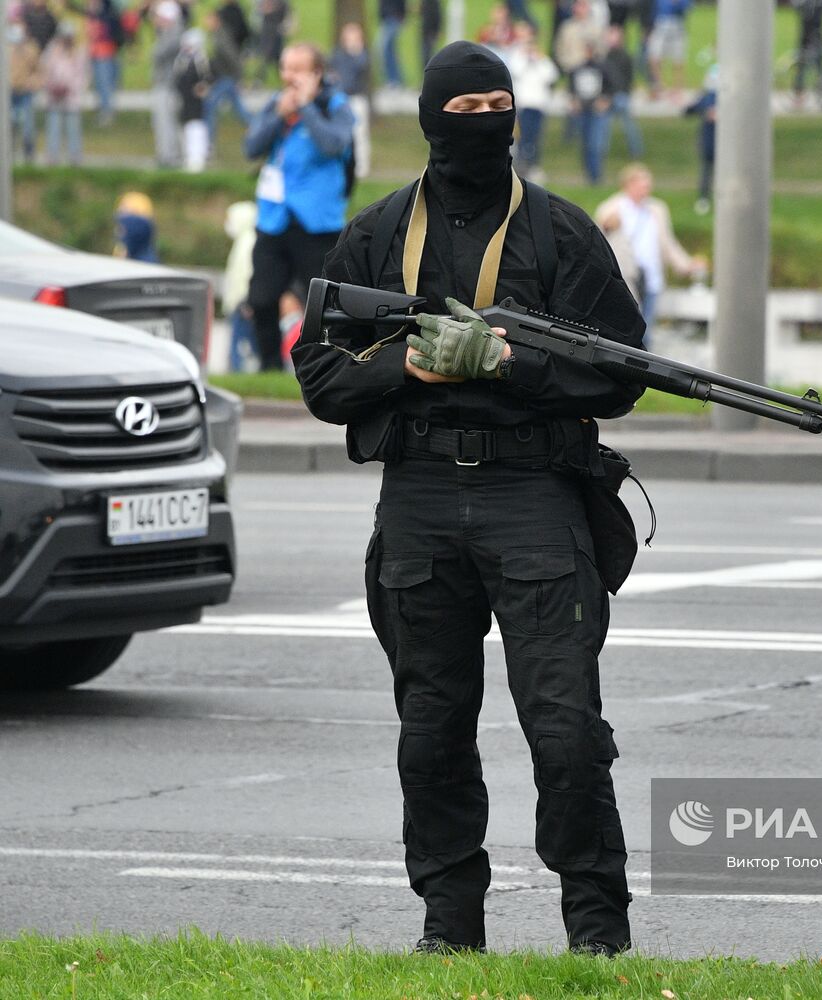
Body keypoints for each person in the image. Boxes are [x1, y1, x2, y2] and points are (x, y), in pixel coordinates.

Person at [291, 40, 643, 958]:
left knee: (565, 731)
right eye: (467, 108)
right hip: (419, 500)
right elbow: (321, 372)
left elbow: (620, 372)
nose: (485, 125)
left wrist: (512, 362)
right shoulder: (374, 234)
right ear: (431, 120)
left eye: (500, 106)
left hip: (535, 494)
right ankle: (449, 934)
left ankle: (597, 938)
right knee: (431, 730)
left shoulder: (561, 233)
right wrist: (404, 364)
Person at [244, 42, 354, 370]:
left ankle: (330, 368)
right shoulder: (277, 105)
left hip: (317, 221)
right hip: (275, 218)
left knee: (324, 304)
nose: (289, 77)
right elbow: (251, 146)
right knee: (261, 298)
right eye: (285, 69)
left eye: (297, 70)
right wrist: (279, 115)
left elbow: (333, 144)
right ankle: (268, 367)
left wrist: (306, 107)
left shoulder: (336, 106)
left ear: (316, 73)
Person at [595, 162, 704, 336]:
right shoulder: (612, 208)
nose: (646, 189)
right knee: (626, 326)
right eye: (641, 184)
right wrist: (608, 225)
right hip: (625, 277)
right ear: (628, 184)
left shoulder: (656, 209)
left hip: (651, 277)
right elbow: (597, 240)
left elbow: (667, 243)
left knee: (647, 329)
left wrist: (685, 264)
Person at [507, 23, 558, 179]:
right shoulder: (517, 56)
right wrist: (526, 58)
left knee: (535, 138)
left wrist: (538, 59)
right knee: (523, 137)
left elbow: (551, 75)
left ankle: (533, 166)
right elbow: (516, 72)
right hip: (524, 105)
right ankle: (522, 167)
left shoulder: (542, 60)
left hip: (538, 105)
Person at [203, 7, 250, 148]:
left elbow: (232, 57)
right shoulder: (217, 34)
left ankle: (209, 143)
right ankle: (257, 126)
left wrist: (239, 78)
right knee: (239, 110)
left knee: (210, 105)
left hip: (227, 78)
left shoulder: (221, 36)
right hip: (225, 77)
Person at [40, 21, 85, 165]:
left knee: (73, 129)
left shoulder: (78, 52)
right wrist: (53, 86)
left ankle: (75, 159)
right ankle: (52, 158)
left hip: (71, 98)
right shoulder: (51, 51)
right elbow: (45, 72)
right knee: (54, 128)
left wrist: (69, 87)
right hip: (54, 97)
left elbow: (82, 75)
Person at [330, 22, 372, 179]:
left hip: (356, 99)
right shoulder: (338, 55)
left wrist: (356, 50)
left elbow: (361, 68)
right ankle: (343, 166)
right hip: (342, 99)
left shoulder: (361, 54)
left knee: (360, 133)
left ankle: (361, 168)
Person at [221, 200, 258, 371]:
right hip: (241, 303)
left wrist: (248, 301)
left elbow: (247, 275)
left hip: (243, 304)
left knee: (240, 346)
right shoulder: (246, 239)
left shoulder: (248, 242)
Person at [569, 42, 610, 186]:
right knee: (586, 143)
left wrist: (605, 100)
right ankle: (589, 174)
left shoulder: (601, 68)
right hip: (583, 110)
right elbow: (572, 87)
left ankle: (596, 175)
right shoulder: (577, 69)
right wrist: (574, 101)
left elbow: (610, 86)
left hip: (596, 111)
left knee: (596, 143)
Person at [601, 23, 641, 160]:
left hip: (620, 95)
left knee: (628, 124)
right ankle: (601, 151)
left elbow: (626, 80)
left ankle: (636, 150)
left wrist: (616, 95)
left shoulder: (624, 56)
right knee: (603, 124)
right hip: (610, 96)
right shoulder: (606, 56)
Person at [149, 0, 183, 165]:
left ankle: (169, 156)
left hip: (168, 85)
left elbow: (158, 53)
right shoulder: (168, 33)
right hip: (165, 84)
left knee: (166, 122)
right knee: (163, 122)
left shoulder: (173, 35)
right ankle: (167, 154)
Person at [173, 26, 211, 171]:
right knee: (186, 129)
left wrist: (203, 87)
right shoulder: (181, 60)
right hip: (185, 101)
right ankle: (188, 156)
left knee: (197, 128)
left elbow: (206, 78)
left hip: (196, 102)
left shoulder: (200, 60)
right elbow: (178, 79)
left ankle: (197, 158)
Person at [791, 0, 822, 110]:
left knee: (820, 69)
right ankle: (799, 96)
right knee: (801, 69)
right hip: (805, 40)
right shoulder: (804, 3)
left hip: (818, 39)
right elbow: (796, 7)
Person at [9, 19, 42, 162]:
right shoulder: (6, 48)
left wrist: (33, 82)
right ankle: (8, 156)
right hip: (9, 94)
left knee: (28, 127)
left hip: (25, 93)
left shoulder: (31, 48)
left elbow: (39, 71)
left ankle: (29, 156)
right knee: (10, 127)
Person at [684, 64, 714, 214]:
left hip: (725, 147)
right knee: (706, 173)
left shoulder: (727, 98)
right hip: (709, 143)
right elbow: (688, 111)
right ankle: (704, 199)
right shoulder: (707, 98)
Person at [646, 0, 689, 101]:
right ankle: (658, 85)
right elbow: (654, 10)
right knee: (654, 56)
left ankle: (677, 89)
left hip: (677, 25)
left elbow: (685, 8)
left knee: (678, 59)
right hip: (661, 24)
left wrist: (676, 4)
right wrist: (649, 28)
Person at [378, 0, 405, 88]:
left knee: (386, 50)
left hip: (393, 17)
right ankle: (395, 79)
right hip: (388, 18)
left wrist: (401, 14)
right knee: (389, 50)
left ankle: (394, 79)